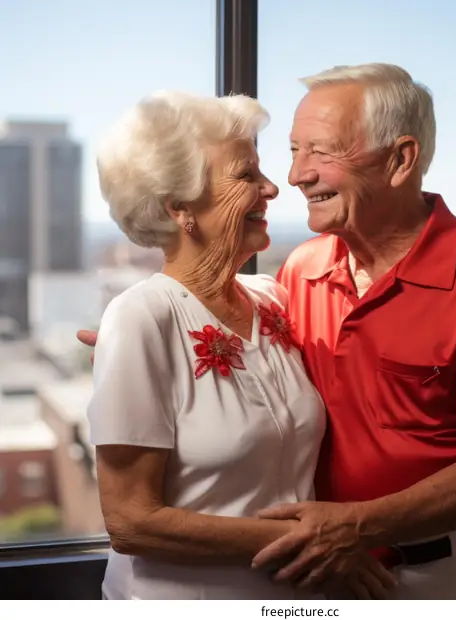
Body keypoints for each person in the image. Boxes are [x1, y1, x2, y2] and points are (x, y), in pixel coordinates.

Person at [79, 63, 456, 600]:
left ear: (401, 159)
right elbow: (138, 502)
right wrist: (132, 355)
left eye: (320, 152)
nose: (293, 177)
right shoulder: (300, 272)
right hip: (329, 574)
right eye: (294, 150)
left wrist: (351, 530)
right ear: (179, 207)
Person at [81, 90, 396, 600]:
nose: (272, 187)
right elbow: (131, 523)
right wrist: (316, 541)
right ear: (179, 205)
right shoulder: (139, 318)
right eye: (245, 175)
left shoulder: (272, 298)